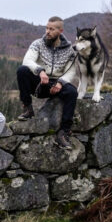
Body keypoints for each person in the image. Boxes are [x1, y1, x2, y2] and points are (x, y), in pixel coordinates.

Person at [16, 16, 78, 150]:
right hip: (38, 82)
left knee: (72, 92)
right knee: (22, 71)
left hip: (55, 84)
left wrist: (61, 83)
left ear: (60, 31)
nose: (47, 31)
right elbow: (27, 60)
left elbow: (71, 71)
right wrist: (40, 71)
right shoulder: (38, 43)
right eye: (47, 28)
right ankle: (27, 108)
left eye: (51, 29)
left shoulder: (69, 50)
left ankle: (64, 132)